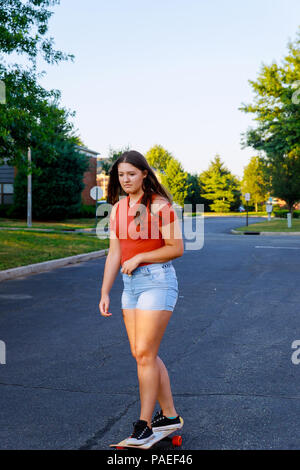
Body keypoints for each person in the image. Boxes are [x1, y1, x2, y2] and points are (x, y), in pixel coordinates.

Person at [99, 150, 184, 445]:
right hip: (129, 286)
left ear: (145, 174)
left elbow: (176, 247)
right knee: (141, 354)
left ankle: (144, 424)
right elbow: (114, 253)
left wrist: (142, 257)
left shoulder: (159, 205)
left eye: (131, 174)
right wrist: (105, 291)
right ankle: (170, 415)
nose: (126, 180)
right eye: (121, 175)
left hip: (158, 281)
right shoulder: (117, 209)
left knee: (146, 354)